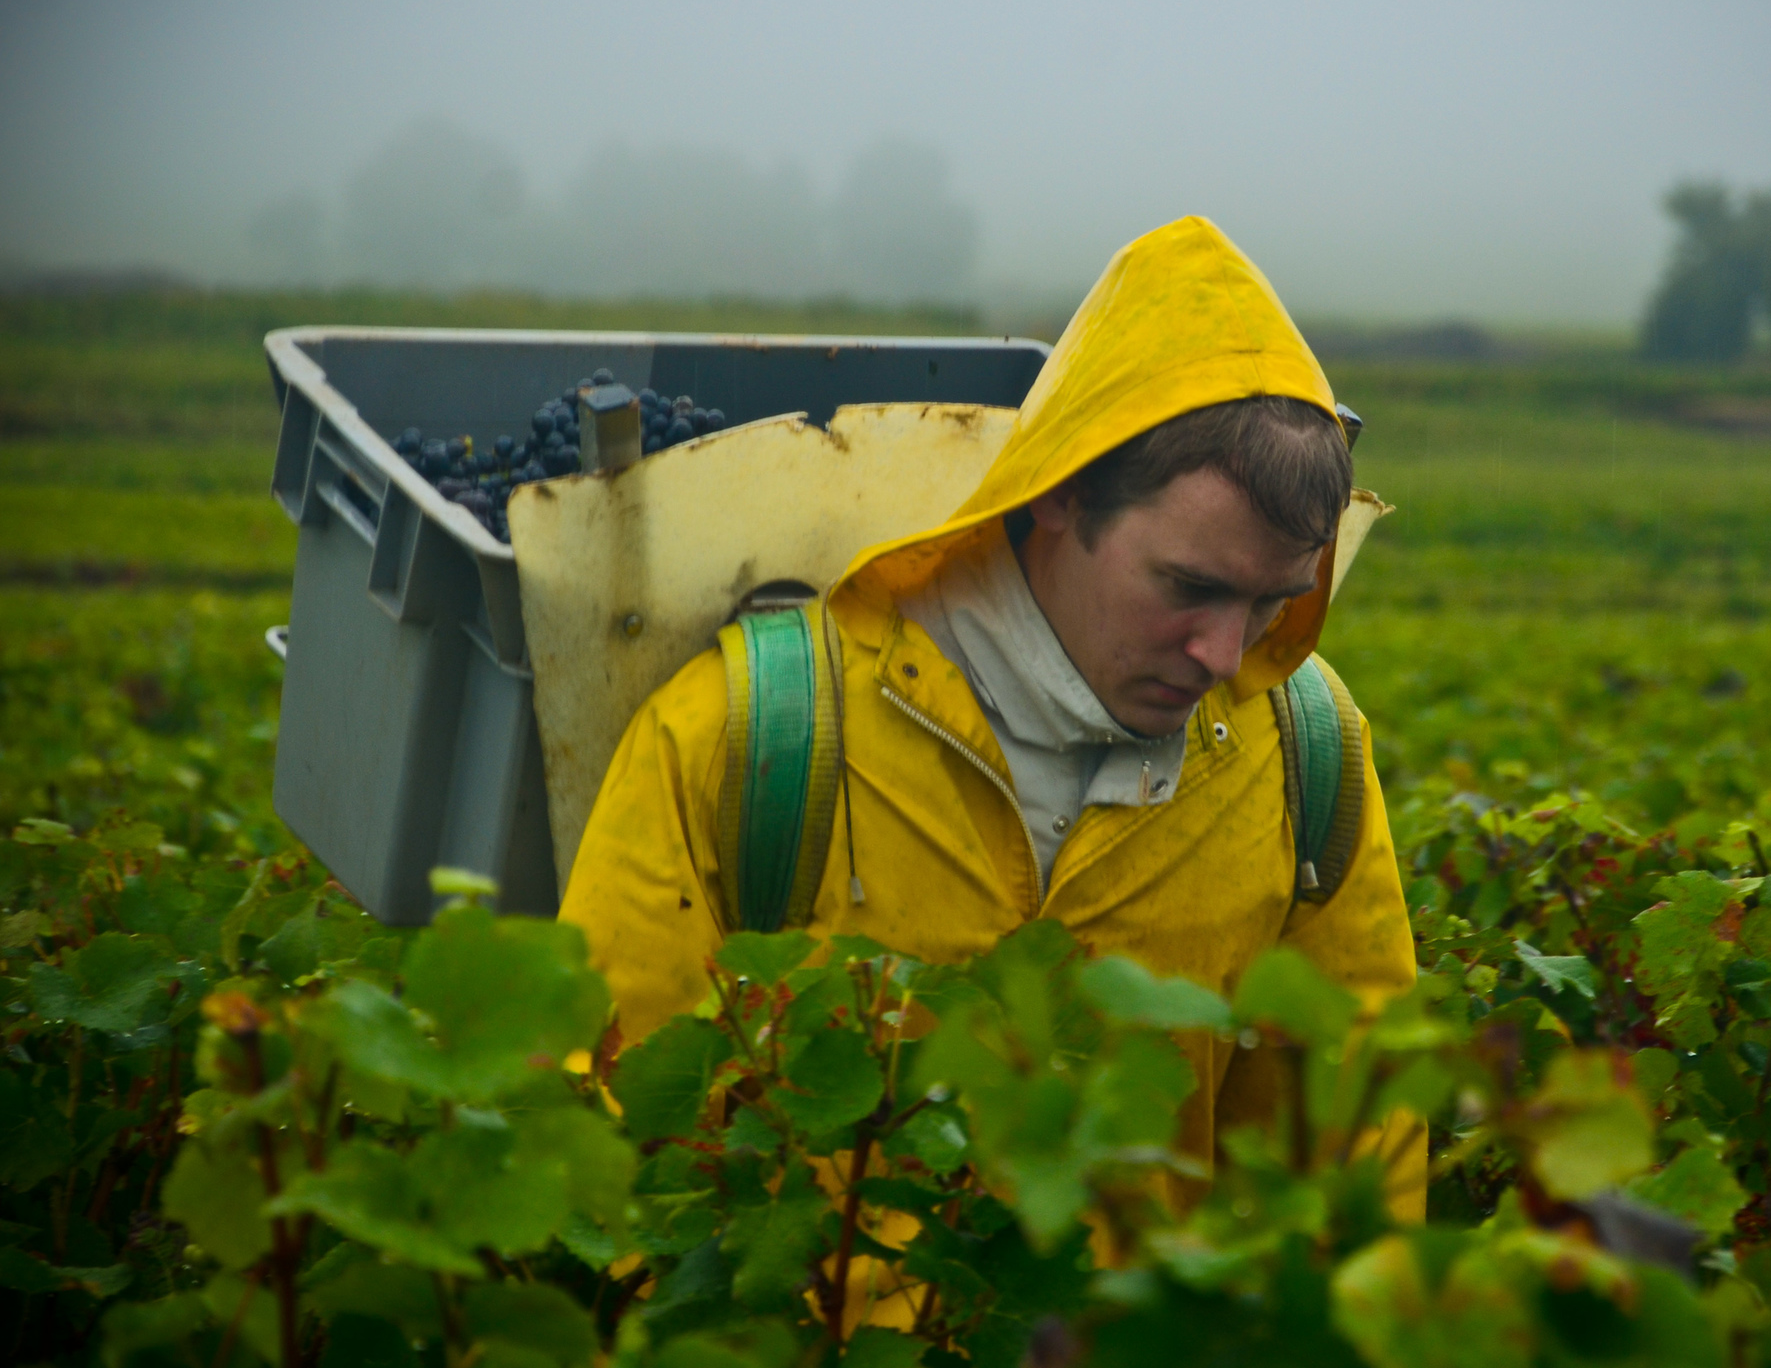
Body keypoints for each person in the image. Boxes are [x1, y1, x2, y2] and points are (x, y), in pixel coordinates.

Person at [560, 214, 1420, 1221]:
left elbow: (1353, 1171)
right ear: (1057, 495)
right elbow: (624, 1160)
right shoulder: (751, 731)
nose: (1226, 656)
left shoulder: (1305, 756)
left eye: (1271, 600)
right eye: (1188, 587)